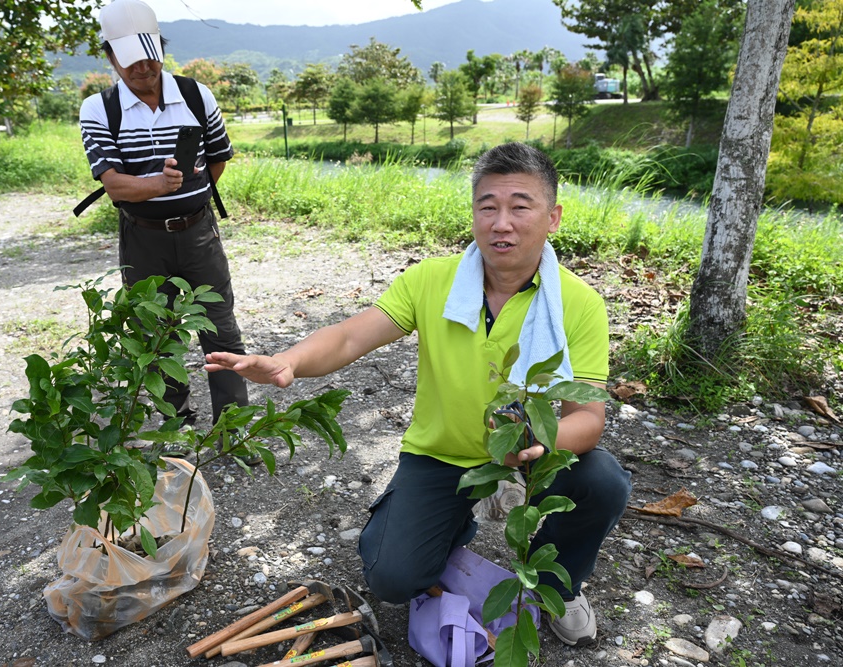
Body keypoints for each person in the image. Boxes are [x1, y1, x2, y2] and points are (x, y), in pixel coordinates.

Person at [204, 142, 631, 647]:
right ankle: (450, 526)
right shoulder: (433, 280)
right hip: (441, 454)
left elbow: (588, 416)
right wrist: (289, 361)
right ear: (473, 212)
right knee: (392, 578)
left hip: (530, 454)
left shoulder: (579, 304)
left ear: (553, 216)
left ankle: (559, 586)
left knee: (603, 480)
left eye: (521, 206)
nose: (502, 222)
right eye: (488, 206)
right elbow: (349, 336)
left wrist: (541, 441)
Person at [79, 0, 247, 424]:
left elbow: (218, 160)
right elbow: (114, 183)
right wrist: (160, 186)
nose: (141, 68)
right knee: (155, 334)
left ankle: (232, 424)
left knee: (220, 327)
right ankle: (178, 423)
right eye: (129, 60)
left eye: (148, 57)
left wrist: (189, 197)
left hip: (198, 233)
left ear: (160, 49)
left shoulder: (194, 94)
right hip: (143, 237)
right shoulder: (99, 109)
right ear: (112, 58)